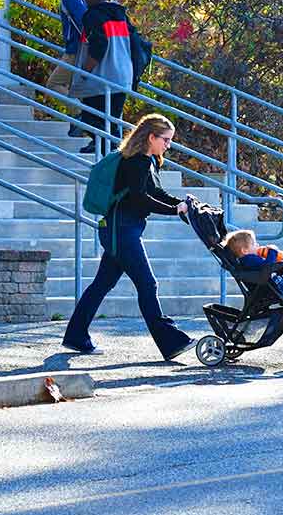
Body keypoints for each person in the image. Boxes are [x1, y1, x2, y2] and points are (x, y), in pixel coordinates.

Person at [62, 114, 193, 360]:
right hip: (121, 230)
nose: (168, 145)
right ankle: (171, 342)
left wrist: (181, 203)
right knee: (148, 284)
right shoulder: (135, 162)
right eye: (165, 140)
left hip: (123, 229)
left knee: (102, 284)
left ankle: (75, 336)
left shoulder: (148, 161)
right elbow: (139, 198)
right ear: (151, 137)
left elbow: (154, 191)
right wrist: (173, 210)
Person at [70, 0, 138, 154]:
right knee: (111, 119)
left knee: (90, 116)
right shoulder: (120, 14)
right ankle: (105, 149)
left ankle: (109, 148)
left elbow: (99, 45)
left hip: (102, 76)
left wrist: (85, 71)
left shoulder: (93, 15)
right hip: (123, 74)